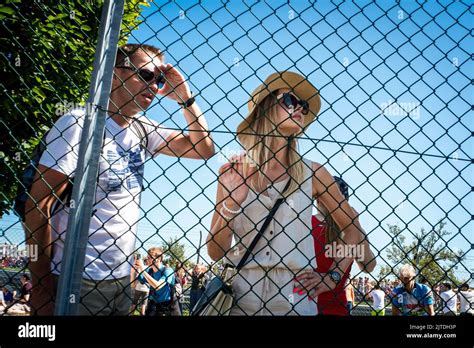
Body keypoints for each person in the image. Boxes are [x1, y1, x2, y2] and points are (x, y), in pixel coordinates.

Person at [24, 43, 215, 315]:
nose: (154, 85)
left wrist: (186, 99)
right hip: (76, 278)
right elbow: (37, 205)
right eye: (146, 75)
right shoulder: (79, 123)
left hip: (122, 281)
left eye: (159, 79)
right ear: (115, 73)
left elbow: (204, 149)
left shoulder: (142, 129)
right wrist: (41, 287)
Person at [207, 71, 369, 315]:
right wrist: (231, 203)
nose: (300, 109)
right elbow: (215, 251)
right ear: (266, 108)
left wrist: (333, 276)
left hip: (297, 297)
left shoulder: (314, 174)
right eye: (290, 101)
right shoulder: (232, 172)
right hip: (241, 296)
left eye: (304, 107)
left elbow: (352, 228)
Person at [312, 176, 376, 315]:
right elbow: (369, 266)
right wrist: (355, 223)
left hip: (305, 301)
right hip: (337, 307)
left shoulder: (306, 223)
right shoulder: (352, 230)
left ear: (317, 200)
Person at [134, 247, 175, 316]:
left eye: (150, 257)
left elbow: (158, 286)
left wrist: (142, 269)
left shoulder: (167, 270)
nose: (147, 259)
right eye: (147, 257)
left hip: (166, 303)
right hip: (152, 302)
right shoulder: (149, 271)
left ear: (158, 259)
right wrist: (133, 269)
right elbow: (134, 284)